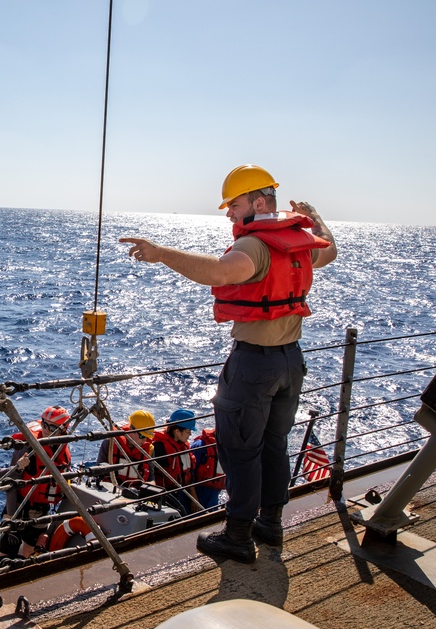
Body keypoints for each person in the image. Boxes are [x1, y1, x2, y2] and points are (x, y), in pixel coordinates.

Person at [119, 164, 336, 563]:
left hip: (254, 366)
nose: (229, 214)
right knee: (274, 446)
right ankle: (270, 524)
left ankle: (237, 536)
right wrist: (316, 216)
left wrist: (161, 253)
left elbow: (220, 273)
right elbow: (329, 249)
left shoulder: (254, 246)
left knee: (240, 451)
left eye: (234, 205)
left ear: (257, 202)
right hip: (291, 362)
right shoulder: (299, 242)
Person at [1, 405, 72, 557]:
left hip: (41, 509)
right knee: (6, 549)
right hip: (19, 505)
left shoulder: (63, 450)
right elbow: (10, 482)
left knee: (29, 549)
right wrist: (11, 516)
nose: (45, 429)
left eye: (51, 427)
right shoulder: (27, 446)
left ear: (63, 429)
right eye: (44, 424)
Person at [149, 408, 200, 513]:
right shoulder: (159, 448)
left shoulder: (184, 446)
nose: (190, 434)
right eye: (188, 431)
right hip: (165, 497)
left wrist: (194, 499)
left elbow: (189, 476)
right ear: (177, 431)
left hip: (180, 493)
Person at [96, 409, 155, 487]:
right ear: (131, 428)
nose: (144, 440)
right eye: (142, 436)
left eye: (147, 437)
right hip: (110, 489)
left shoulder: (149, 450)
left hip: (135, 494)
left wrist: (151, 484)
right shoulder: (110, 442)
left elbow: (151, 477)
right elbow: (98, 469)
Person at [190, 427, 225, 510]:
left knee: (211, 517)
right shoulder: (199, 446)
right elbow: (190, 474)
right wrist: (194, 499)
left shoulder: (226, 447)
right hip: (198, 491)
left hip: (214, 493)